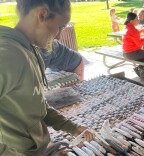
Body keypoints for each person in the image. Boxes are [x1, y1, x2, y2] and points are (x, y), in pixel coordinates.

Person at [0, 0, 95, 155]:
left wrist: (71, 127)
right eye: (60, 27)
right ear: (43, 14)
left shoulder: (28, 49)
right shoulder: (8, 54)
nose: (58, 36)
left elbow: (35, 104)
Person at [122, 12, 144, 78]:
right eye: (136, 19)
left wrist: (140, 31)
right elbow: (139, 45)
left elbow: (131, 35)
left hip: (125, 53)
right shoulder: (134, 30)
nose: (138, 20)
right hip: (132, 53)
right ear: (131, 21)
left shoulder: (126, 27)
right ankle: (140, 67)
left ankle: (140, 67)